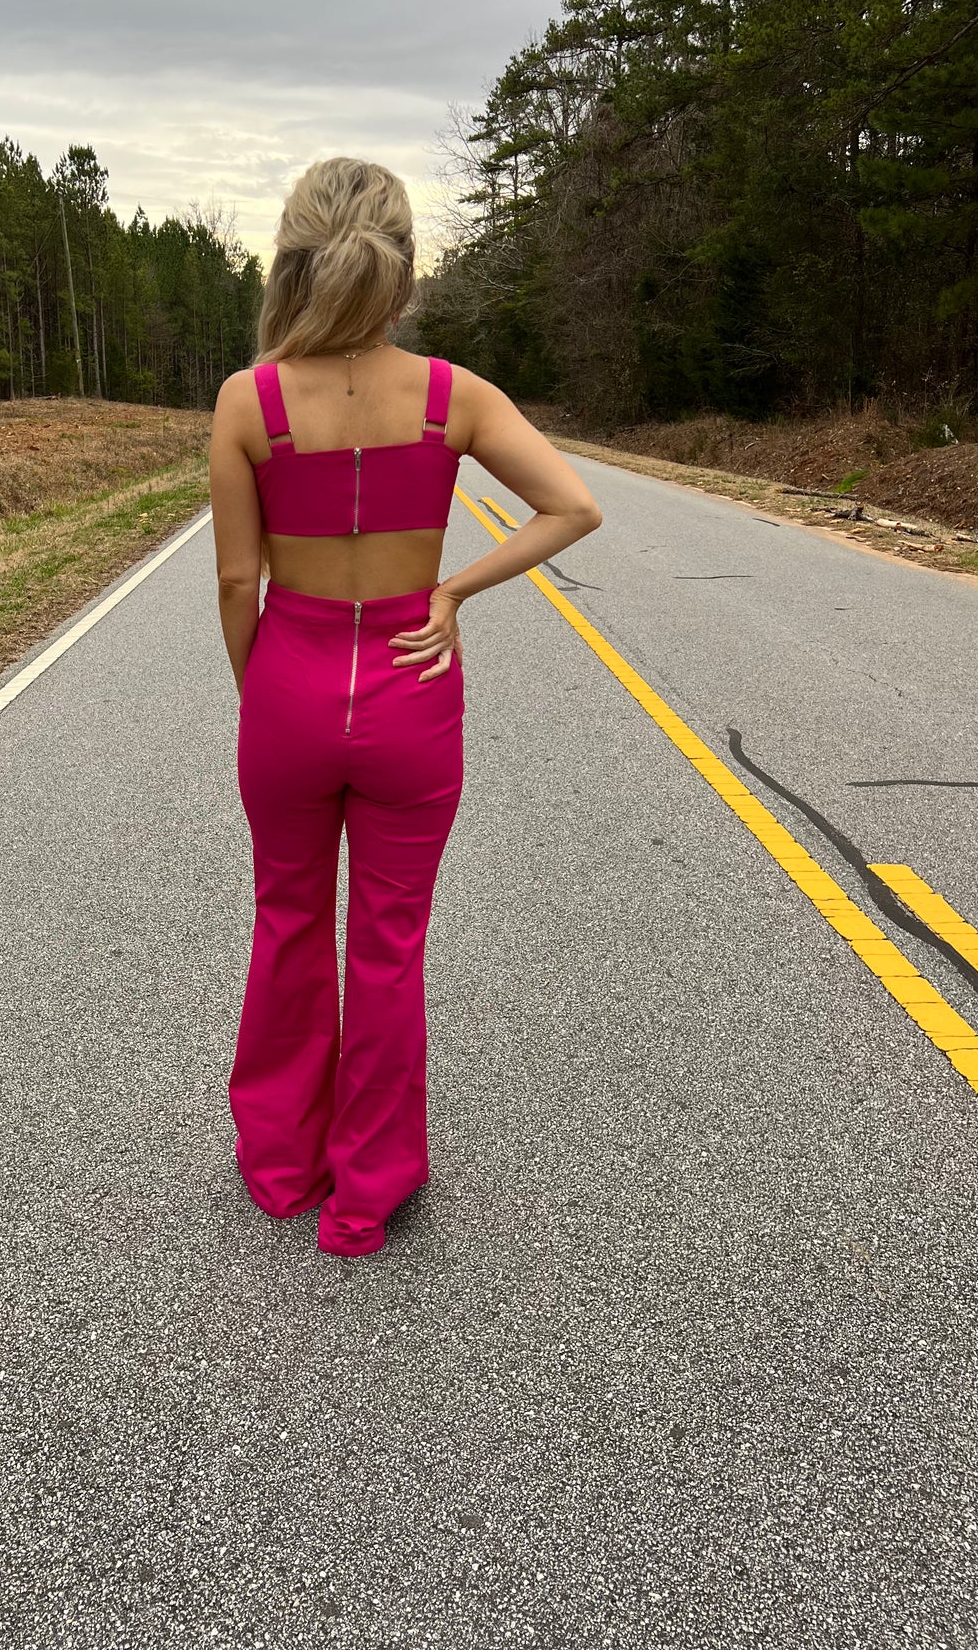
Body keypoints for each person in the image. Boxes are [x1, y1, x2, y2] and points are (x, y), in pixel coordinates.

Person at [208, 157, 602, 1257]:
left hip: (290, 682)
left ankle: (281, 1165)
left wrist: (266, 693)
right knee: (387, 943)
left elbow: (238, 583)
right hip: (409, 685)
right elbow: (571, 505)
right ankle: (367, 1189)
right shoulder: (451, 396)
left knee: (288, 922)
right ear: (403, 265)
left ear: (290, 258)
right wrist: (454, 587)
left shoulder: (249, 401)